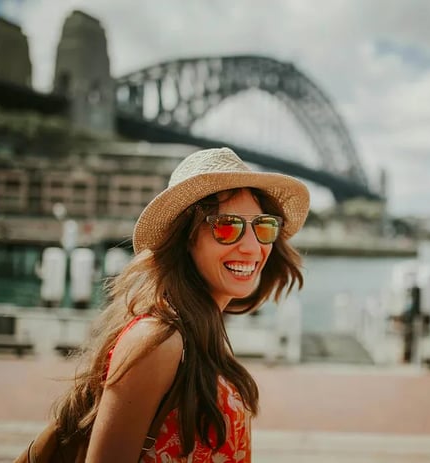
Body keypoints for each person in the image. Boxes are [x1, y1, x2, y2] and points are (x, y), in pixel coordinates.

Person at [51, 147, 310, 462]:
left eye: (264, 227)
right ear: (186, 238)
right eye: (227, 226)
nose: (252, 246)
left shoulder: (201, 333)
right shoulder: (158, 341)